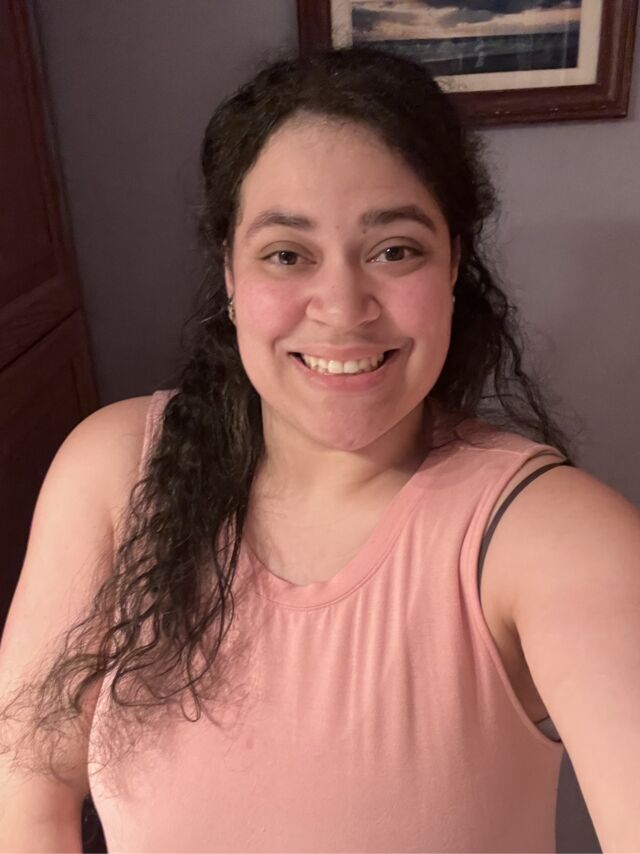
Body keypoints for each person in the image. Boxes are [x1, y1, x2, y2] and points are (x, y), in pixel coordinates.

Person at [1, 44, 639, 854]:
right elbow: (27, 794)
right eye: (286, 255)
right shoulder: (112, 473)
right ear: (231, 276)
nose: (342, 307)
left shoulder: (556, 540)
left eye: (395, 249)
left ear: (453, 266)